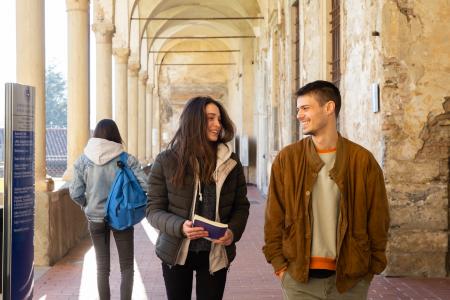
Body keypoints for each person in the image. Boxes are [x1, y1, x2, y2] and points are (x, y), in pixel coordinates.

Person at [263, 80, 390, 299]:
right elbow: (274, 217)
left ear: (329, 108)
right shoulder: (288, 159)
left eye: (305, 108)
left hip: (351, 279)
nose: (299, 115)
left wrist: (372, 268)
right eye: (298, 110)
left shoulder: (362, 161)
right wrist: (280, 267)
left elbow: (378, 218)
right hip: (299, 278)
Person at [147, 96, 250, 300]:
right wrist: (179, 226)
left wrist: (232, 232)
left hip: (215, 253)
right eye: (210, 118)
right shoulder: (166, 161)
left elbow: (241, 206)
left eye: (219, 119)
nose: (217, 125)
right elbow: (152, 210)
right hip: (176, 252)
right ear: (194, 121)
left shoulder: (231, 162)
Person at [69, 119, 148, 300]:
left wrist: (87, 204)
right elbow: (147, 186)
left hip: (95, 218)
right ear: (116, 135)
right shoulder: (127, 159)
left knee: (101, 267)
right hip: (122, 216)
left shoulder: (83, 160)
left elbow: (75, 192)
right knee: (127, 265)